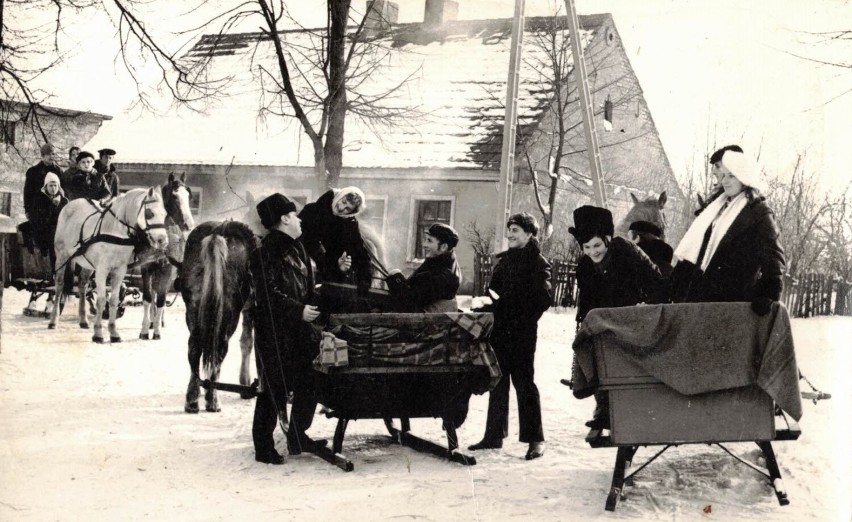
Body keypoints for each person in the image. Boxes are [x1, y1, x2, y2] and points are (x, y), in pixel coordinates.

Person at [570, 205, 667, 429]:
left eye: (597, 245)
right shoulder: (584, 266)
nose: (593, 252)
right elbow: (586, 300)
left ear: (607, 240)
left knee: (628, 366)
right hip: (604, 321)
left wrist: (646, 305)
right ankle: (604, 410)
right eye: (587, 247)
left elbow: (655, 280)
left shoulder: (625, 250)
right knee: (599, 360)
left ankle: (635, 411)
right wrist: (584, 325)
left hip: (631, 317)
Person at [249, 193, 326, 465]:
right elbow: (268, 293)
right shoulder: (264, 251)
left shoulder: (297, 246)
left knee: (310, 381)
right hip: (275, 331)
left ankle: (296, 434)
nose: (299, 220)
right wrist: (298, 310)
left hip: (300, 330)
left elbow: (308, 285)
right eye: (294, 215)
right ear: (284, 219)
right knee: (274, 388)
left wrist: (312, 303)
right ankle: (263, 446)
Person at [469, 212, 551, 460]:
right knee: (498, 381)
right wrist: (484, 305)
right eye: (509, 230)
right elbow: (492, 293)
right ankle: (494, 436)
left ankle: (535, 439)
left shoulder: (538, 263)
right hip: (499, 331)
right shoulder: (503, 262)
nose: (510, 234)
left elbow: (544, 299)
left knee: (524, 384)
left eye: (515, 230)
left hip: (522, 332)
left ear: (529, 233)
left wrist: (515, 310)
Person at [670, 148, 785, 312]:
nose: (725, 181)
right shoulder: (717, 207)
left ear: (745, 179)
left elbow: (774, 260)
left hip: (732, 299)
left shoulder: (758, 213)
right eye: (724, 175)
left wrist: (767, 295)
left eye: (732, 176)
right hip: (702, 292)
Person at [298, 187, 372, 289]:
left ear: (351, 213)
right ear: (339, 196)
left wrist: (365, 280)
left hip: (330, 277)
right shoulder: (311, 211)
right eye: (343, 201)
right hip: (302, 270)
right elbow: (298, 238)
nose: (341, 208)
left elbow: (359, 251)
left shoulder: (349, 225)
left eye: (348, 208)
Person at [385, 223, 462, 312]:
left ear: (443, 247)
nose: (424, 244)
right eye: (425, 240)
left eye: (429, 241)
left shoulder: (442, 275)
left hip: (426, 322)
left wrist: (396, 278)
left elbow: (408, 304)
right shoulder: (438, 261)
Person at [29, 173, 68, 270]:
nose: (53, 188)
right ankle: (52, 273)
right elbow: (36, 218)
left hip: (62, 231)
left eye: (55, 185)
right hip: (44, 231)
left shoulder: (64, 201)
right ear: (46, 186)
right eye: (50, 185)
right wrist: (51, 206)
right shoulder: (39, 200)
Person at [23, 143, 62, 221]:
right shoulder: (33, 171)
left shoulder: (58, 171)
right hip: (37, 208)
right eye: (48, 154)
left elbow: (61, 189)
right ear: (42, 156)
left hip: (54, 208)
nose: (51, 156)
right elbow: (27, 192)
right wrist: (27, 210)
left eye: (53, 154)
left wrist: (59, 198)